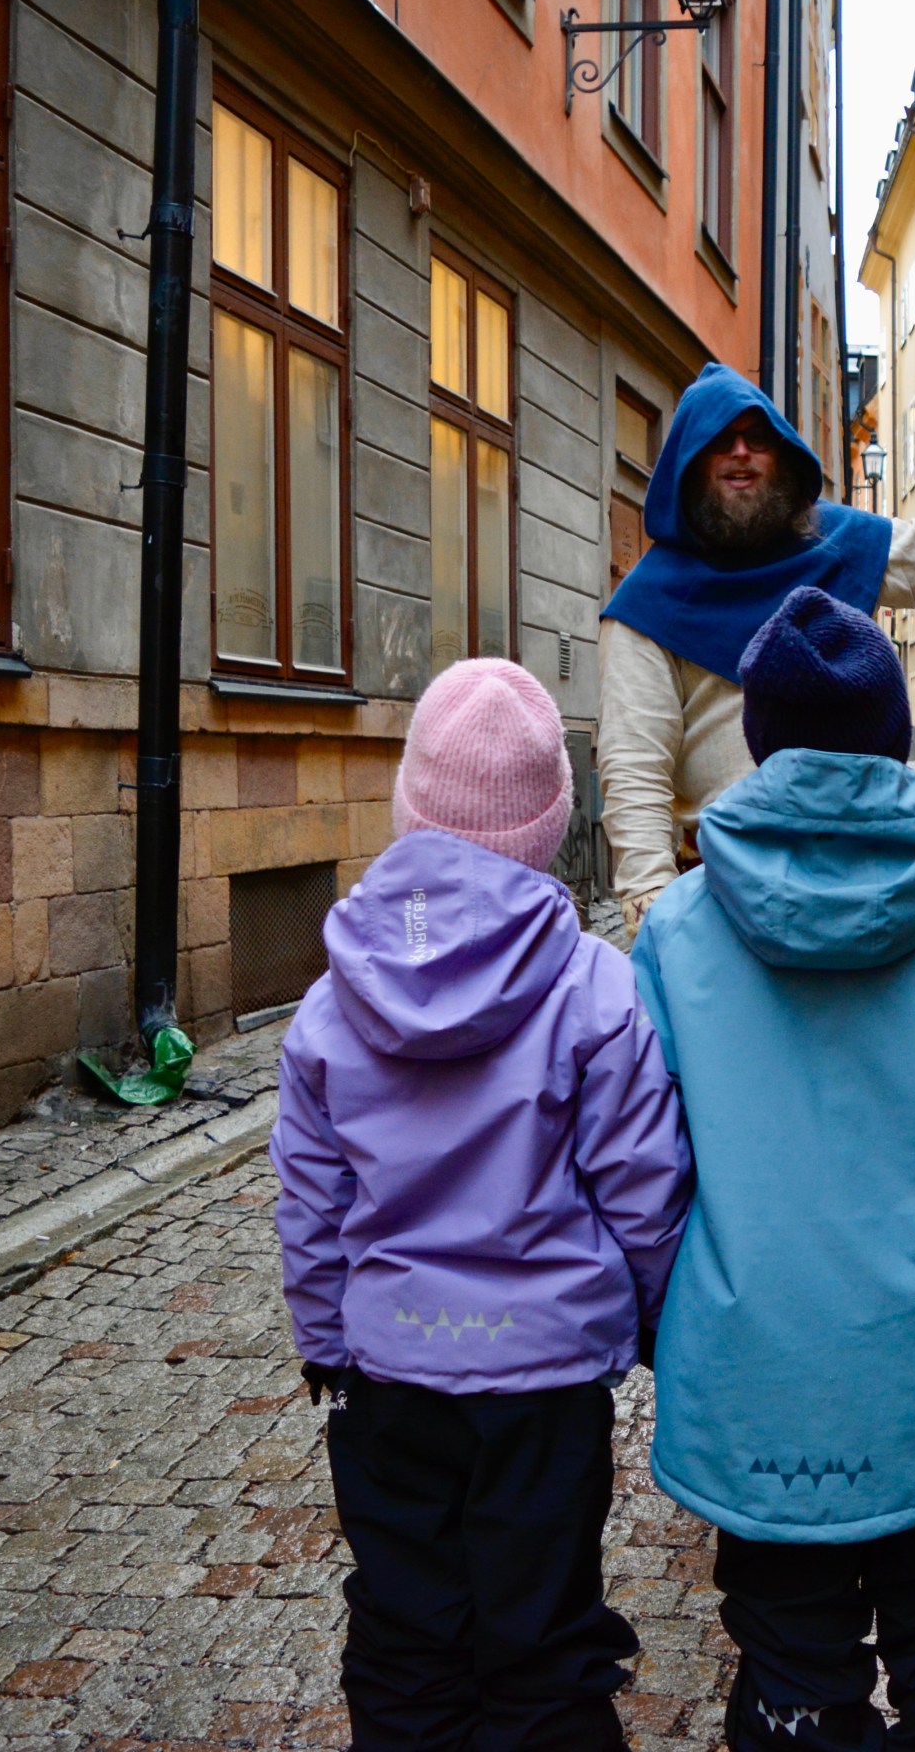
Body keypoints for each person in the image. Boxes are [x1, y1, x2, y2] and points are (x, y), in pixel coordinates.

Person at [631, 586, 915, 1752]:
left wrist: (658, 1328)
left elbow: (641, 1175)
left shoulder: (675, 936)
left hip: (754, 1381)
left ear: (759, 741)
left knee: (792, 1673)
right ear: (895, 741)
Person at [268, 657, 694, 1752]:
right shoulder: (595, 990)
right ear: (551, 823)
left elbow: (311, 1203)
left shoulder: (332, 999)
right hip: (546, 1390)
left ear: (411, 803)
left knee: (408, 1639)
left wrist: (323, 1337)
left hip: (389, 1379)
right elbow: (645, 1193)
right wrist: (652, 1324)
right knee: (546, 1641)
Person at [599, 345, 915, 934]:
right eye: (719, 440)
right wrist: (657, 923)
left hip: (863, 877)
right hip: (723, 899)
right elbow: (635, 772)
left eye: (756, 438)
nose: (739, 451)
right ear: (688, 465)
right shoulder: (647, 607)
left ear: (785, 458)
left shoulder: (834, 544)